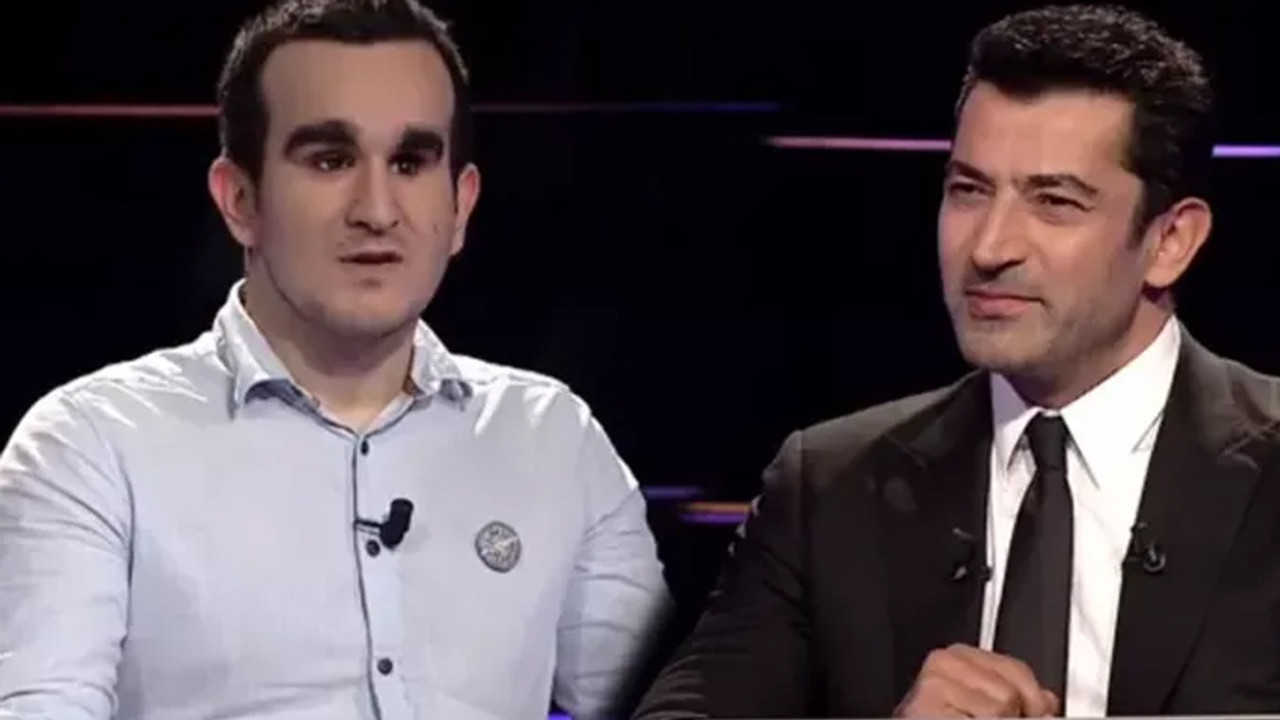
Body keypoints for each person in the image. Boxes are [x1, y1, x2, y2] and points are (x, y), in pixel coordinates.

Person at [0, 1, 671, 718]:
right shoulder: (92, 447)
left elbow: (666, 704)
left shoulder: (552, 439)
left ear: (461, 206)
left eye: (410, 162)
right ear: (240, 200)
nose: (377, 209)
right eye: (331, 160)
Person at [633, 4, 1280, 718]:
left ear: (1170, 242)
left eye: (1055, 202)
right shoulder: (832, 487)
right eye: (969, 191)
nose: (990, 247)